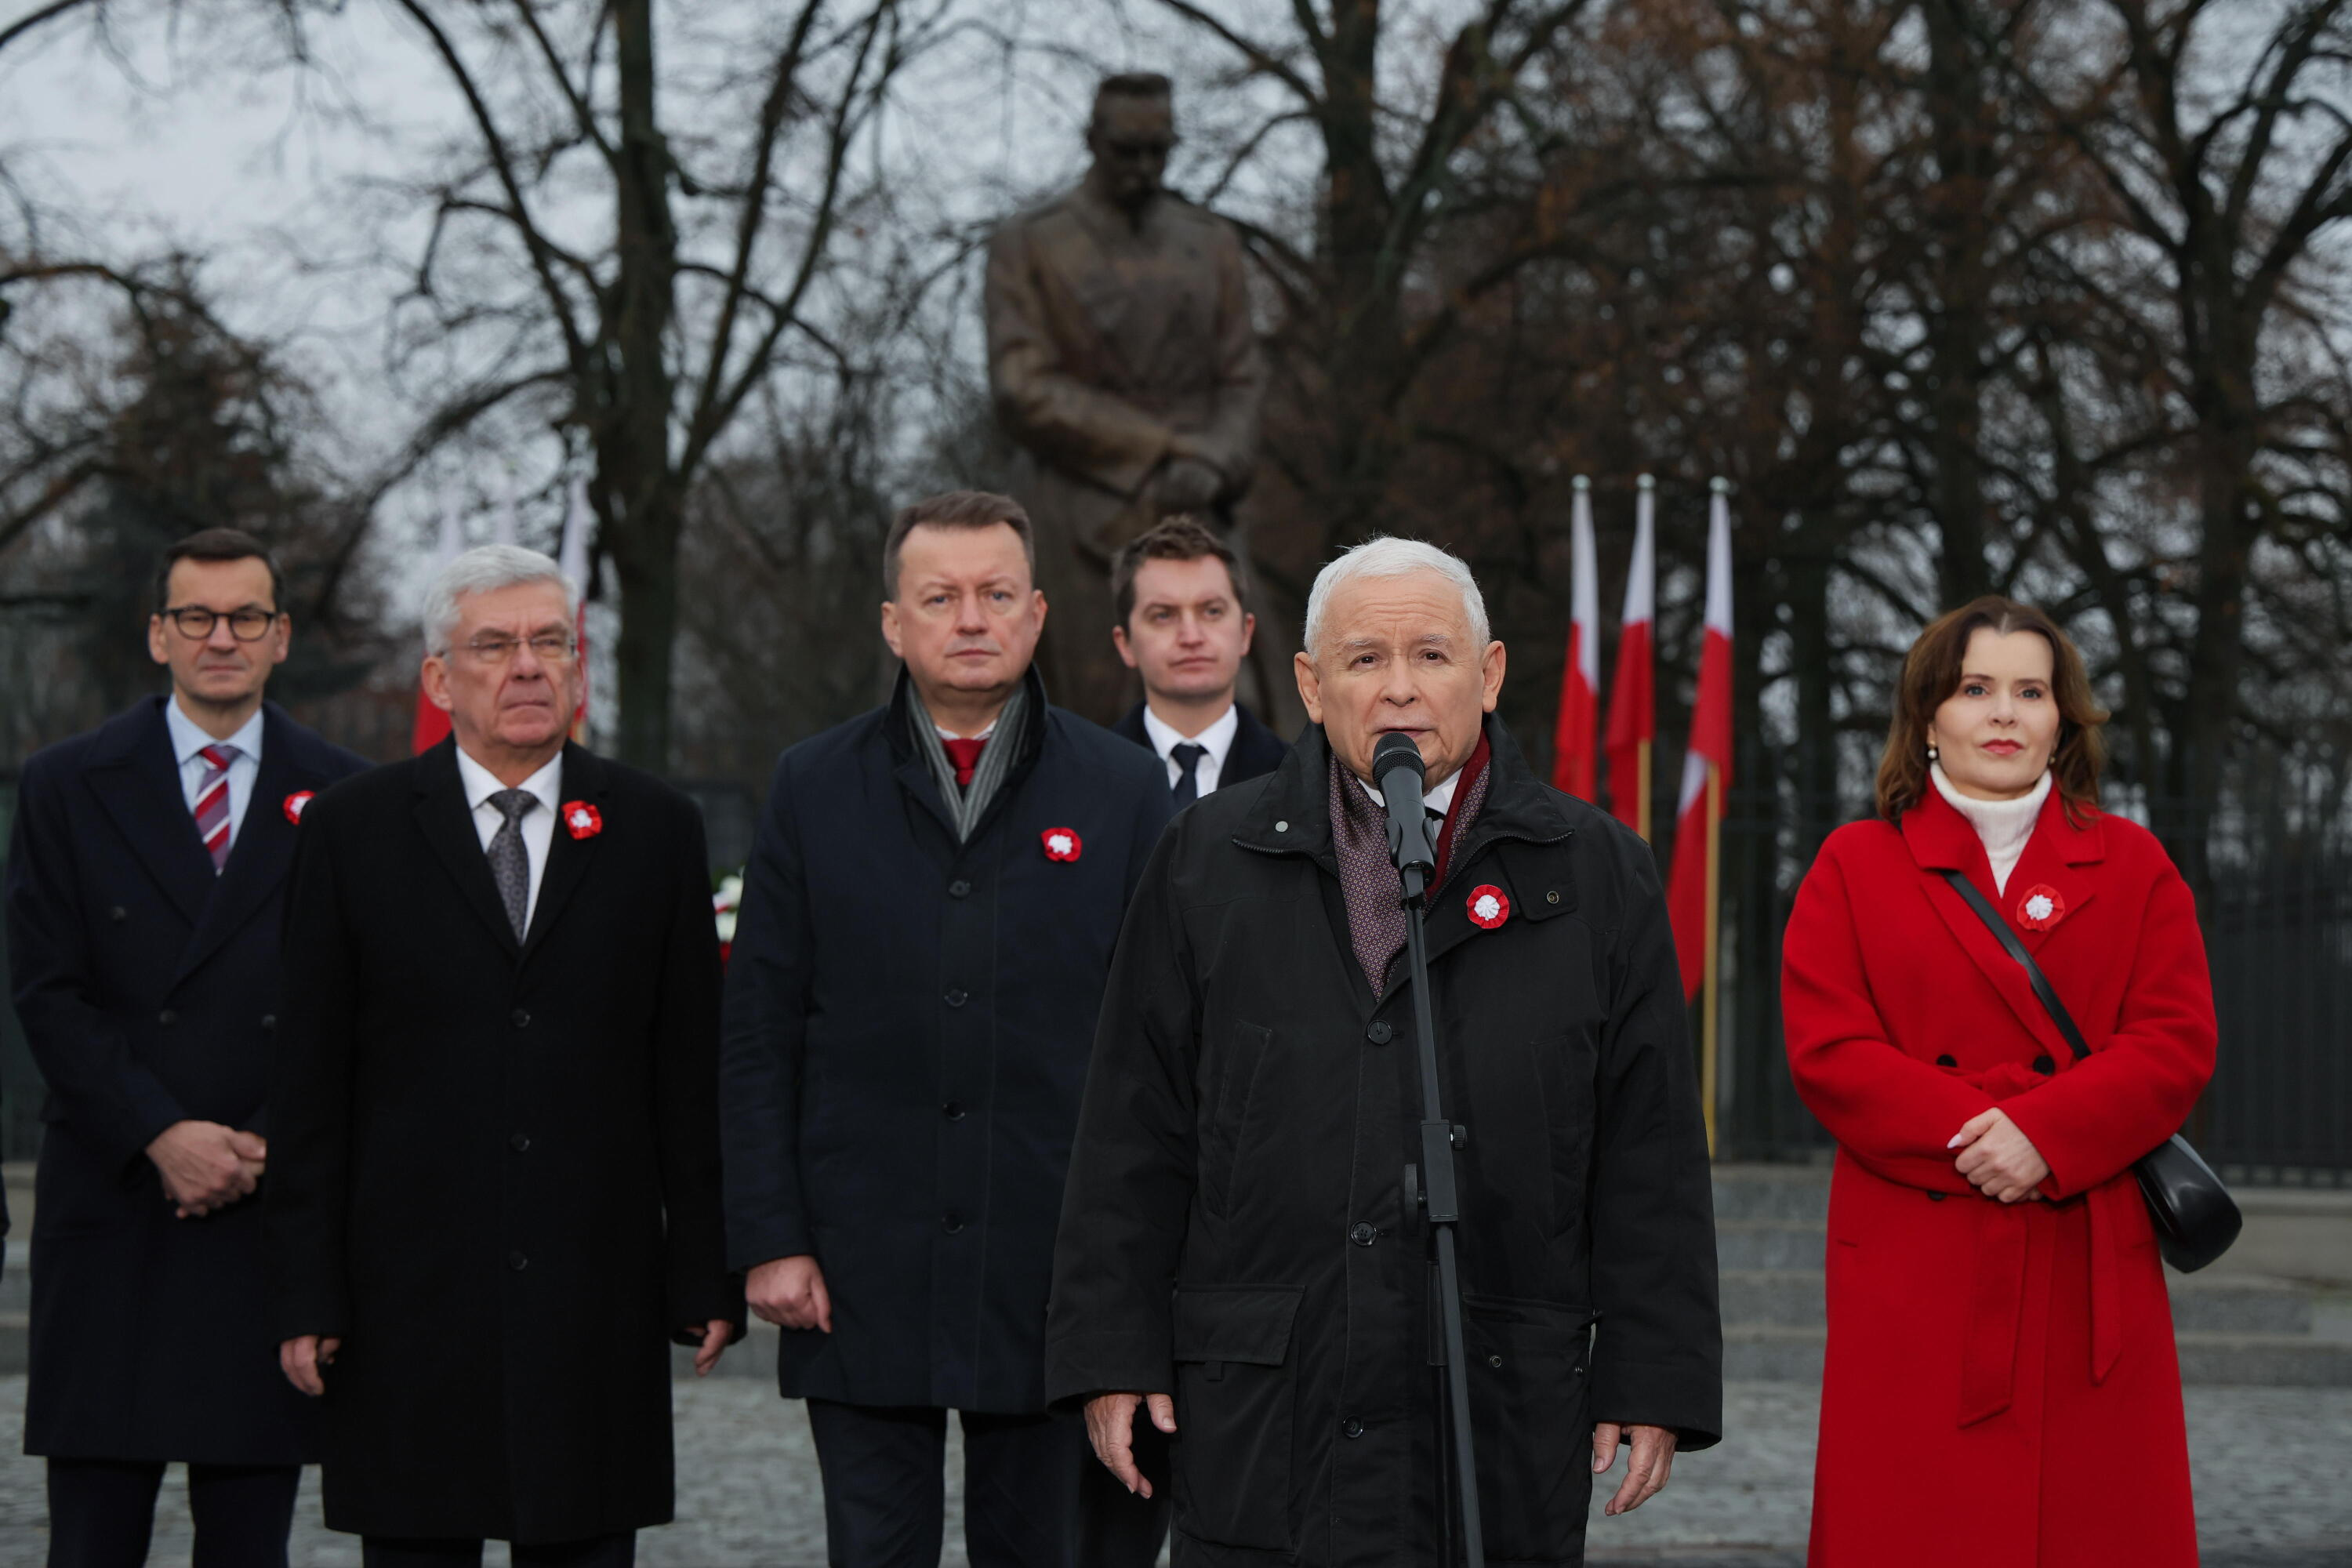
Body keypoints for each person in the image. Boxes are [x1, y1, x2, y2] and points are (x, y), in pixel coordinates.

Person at [1047, 537, 1722, 1566]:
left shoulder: (1597, 875)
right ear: (1312, 687)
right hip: (1266, 1409)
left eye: (1433, 657)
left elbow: (1652, 1154)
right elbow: (1132, 1129)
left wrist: (1652, 1374)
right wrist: (1111, 1351)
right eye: (1364, 660)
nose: (1400, 689)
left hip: (1493, 1402)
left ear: (1488, 675)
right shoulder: (1205, 860)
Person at [718, 490, 1173, 1568]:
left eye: (996, 594)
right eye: (941, 596)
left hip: (1051, 1274)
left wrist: (1138, 1264)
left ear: (1038, 613)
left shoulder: (1121, 791)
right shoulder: (813, 785)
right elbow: (760, 1031)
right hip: (859, 1266)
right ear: (894, 622)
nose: (971, 619)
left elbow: (1162, 1047)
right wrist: (772, 1237)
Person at [266, 544, 741, 1568]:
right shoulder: (354, 831)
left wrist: (703, 1267)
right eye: (495, 645)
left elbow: (688, 1072)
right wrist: (307, 1291)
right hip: (406, 1304)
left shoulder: (655, 828)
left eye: (550, 644)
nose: (528, 667)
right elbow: (309, 1083)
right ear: (440, 677)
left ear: (577, 668)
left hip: (590, 1295)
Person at [1780, 597, 2215, 1567]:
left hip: (2085, 1259)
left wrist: (2050, 1135)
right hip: (1916, 1263)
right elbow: (1829, 1049)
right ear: (1928, 713)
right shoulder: (1855, 864)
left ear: (2064, 718)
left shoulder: (2136, 863)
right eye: (1977, 688)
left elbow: (2175, 1039)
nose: (2005, 712)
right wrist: (1983, 1135)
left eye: (2031, 689)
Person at [4, 528, 368, 1568]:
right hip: (118, 1206)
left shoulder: (346, 794)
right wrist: (161, 1132)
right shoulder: (68, 783)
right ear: (158, 635)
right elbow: (47, 991)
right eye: (197, 618)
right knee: (92, 1542)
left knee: (249, 1546)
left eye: (246, 616)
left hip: (265, 1217)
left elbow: (356, 1008)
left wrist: (255, 1144)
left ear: (281, 636)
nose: (223, 638)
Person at [986, 72, 1265, 724]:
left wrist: (1219, 460)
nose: (1144, 168)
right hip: (1083, 512)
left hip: (1202, 507)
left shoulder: (1210, 242)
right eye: (1126, 151)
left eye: (1158, 151)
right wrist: (1165, 449)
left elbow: (1243, 376)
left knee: (1244, 715)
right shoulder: (1030, 243)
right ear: (1092, 141)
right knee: (1097, 725)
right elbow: (1022, 386)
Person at [1107, 515, 1289, 806]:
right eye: (1163, 615)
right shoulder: (1081, 774)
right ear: (1125, 643)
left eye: (1212, 611)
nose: (1191, 637)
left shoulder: (1302, 780)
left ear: (1245, 632)